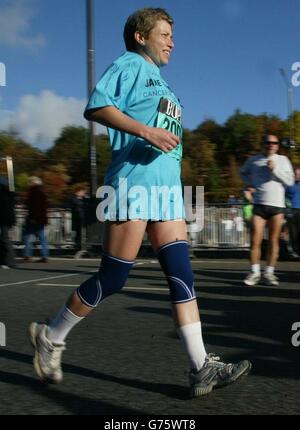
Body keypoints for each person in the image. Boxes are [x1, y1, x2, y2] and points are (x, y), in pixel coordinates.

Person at [29, 8, 251, 397]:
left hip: (166, 191)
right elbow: (96, 106)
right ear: (140, 36)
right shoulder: (129, 65)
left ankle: (200, 366)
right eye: (164, 34)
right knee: (113, 278)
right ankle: (51, 336)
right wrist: (145, 131)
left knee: (182, 274)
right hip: (132, 186)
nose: (171, 41)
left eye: (171, 35)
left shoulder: (163, 84)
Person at [240, 135, 295, 286]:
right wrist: (250, 184)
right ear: (263, 144)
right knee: (255, 240)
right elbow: (242, 172)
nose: (271, 145)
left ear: (277, 145)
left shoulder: (283, 160)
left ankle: (269, 273)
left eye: (274, 143)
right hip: (259, 204)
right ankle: (255, 273)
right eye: (268, 142)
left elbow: (290, 181)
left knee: (273, 241)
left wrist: (275, 169)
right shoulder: (253, 160)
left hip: (277, 206)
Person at [23, 176, 49, 263]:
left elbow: (34, 207)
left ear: (32, 183)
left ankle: (27, 254)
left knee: (27, 236)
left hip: (33, 218)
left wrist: (33, 217)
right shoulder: (43, 192)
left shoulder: (33, 192)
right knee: (42, 237)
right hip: (41, 218)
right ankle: (45, 255)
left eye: (29, 182)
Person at [0, 177, 16, 269]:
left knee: (5, 240)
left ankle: (9, 261)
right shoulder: (10, 194)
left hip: (3, 219)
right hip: (8, 219)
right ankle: (6, 261)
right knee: (4, 240)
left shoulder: (3, 195)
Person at [69, 186, 89, 253]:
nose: (84, 193)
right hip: (78, 219)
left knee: (82, 234)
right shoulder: (74, 199)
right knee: (78, 234)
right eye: (82, 192)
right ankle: (78, 248)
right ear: (78, 192)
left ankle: (81, 247)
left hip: (83, 218)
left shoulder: (83, 199)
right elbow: (77, 204)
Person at [286, 168, 300, 257]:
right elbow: (283, 197)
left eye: (299, 174)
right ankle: (296, 250)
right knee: (293, 234)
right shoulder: (289, 185)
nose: (297, 176)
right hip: (292, 212)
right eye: (296, 174)